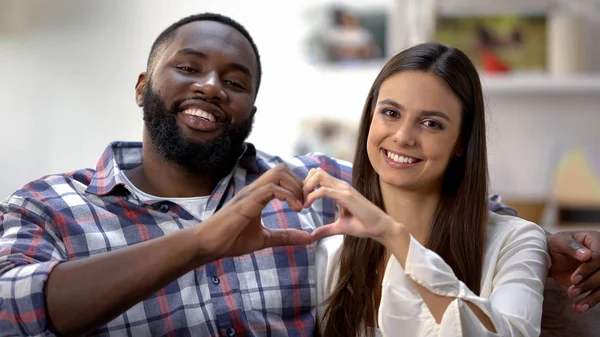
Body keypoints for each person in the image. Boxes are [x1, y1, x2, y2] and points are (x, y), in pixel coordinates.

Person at [0, 12, 599, 337]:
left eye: (235, 82)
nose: (211, 86)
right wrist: (199, 244)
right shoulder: (49, 204)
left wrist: (542, 245)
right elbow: (10, 307)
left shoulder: (305, 185)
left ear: (250, 113)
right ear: (142, 87)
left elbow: (428, 186)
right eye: (189, 68)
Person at [310, 42, 548, 336]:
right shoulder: (332, 255)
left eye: (431, 123)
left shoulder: (516, 243)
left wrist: (394, 235)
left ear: (462, 142)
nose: (403, 137)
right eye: (391, 113)